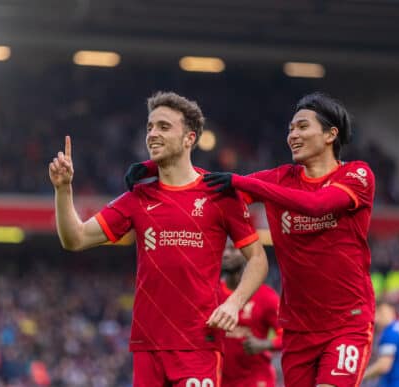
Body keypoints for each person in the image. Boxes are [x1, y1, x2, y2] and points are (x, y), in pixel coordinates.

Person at [125, 92, 376, 387]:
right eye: (290, 129)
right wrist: (158, 167)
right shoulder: (282, 177)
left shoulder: (356, 174)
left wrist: (245, 183)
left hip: (348, 322)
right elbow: (211, 191)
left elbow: (317, 204)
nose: (293, 135)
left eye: (302, 127)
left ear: (331, 134)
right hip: (297, 328)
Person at [49, 91, 268, 387]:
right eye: (150, 127)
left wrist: (233, 304)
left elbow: (258, 259)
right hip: (147, 345)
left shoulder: (219, 194)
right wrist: (63, 190)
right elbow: (74, 239)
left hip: (197, 344)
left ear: (190, 138)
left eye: (164, 127)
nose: (152, 134)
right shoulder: (138, 198)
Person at [220, 243, 281, 387]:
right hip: (222, 380)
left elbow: (287, 335)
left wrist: (264, 344)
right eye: (224, 250)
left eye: (232, 249)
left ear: (246, 254)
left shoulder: (266, 296)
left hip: (256, 380)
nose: (226, 254)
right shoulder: (213, 294)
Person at [363, 302, 399, 387]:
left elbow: (384, 365)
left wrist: (363, 375)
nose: (377, 318)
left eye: (381, 313)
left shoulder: (390, 332)